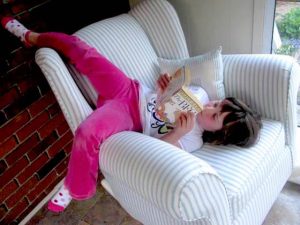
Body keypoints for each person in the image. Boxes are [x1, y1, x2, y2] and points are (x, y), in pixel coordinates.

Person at [1, 17, 262, 213]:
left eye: (215, 116)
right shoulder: (200, 95)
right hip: (130, 89)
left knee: (86, 133)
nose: (209, 107)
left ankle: (75, 187)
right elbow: (166, 99)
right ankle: (30, 36)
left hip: (129, 117)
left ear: (219, 133)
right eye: (217, 103)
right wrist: (165, 88)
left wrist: (177, 133)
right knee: (80, 48)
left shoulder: (193, 141)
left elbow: (152, 151)